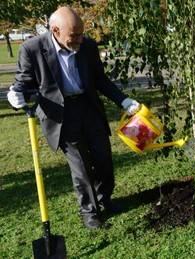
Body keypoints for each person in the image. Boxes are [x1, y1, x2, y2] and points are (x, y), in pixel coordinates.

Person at [7, 7, 140, 229]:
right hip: (60, 114)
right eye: (73, 36)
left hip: (88, 108)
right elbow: (24, 82)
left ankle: (103, 199)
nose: (79, 39)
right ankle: (89, 212)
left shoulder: (87, 46)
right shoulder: (32, 49)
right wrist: (15, 94)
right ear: (55, 30)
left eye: (81, 34)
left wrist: (123, 100)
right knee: (81, 167)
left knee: (104, 159)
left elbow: (100, 80)